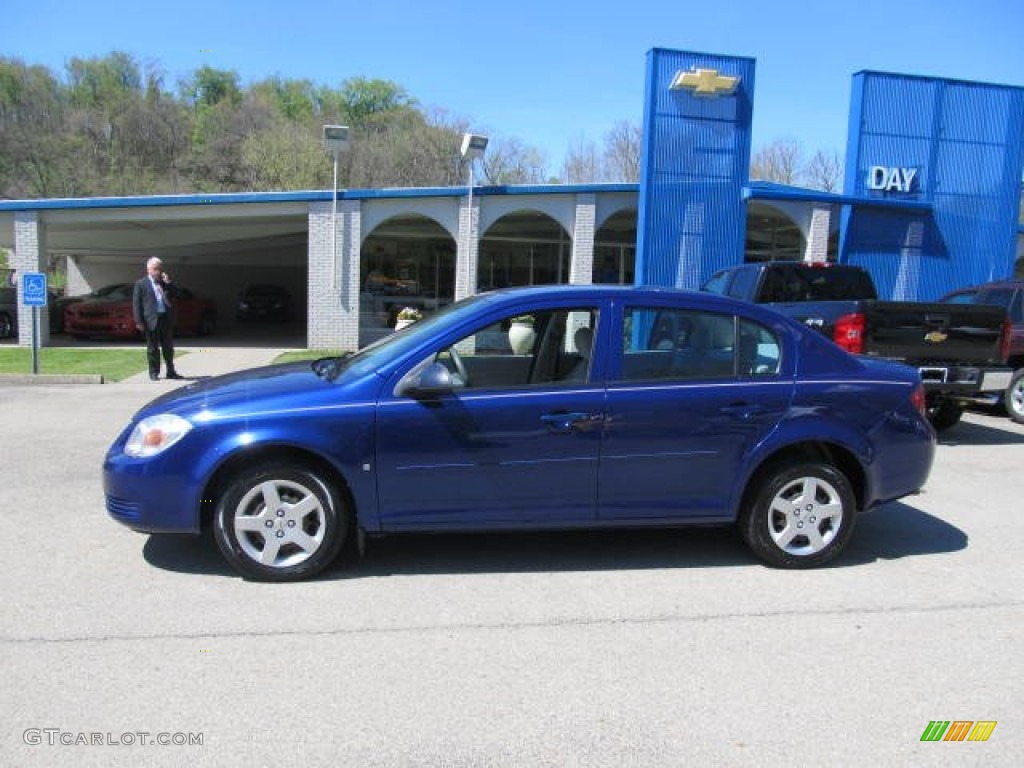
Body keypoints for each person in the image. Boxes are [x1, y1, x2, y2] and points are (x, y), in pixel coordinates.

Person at [132, 256, 182, 380]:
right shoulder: (141, 283)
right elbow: (136, 303)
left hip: (165, 318)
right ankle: (154, 373)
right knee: (153, 348)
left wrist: (169, 283)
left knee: (168, 347)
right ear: (148, 270)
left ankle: (171, 371)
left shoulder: (165, 283)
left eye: (159, 269)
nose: (158, 271)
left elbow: (178, 294)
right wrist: (138, 321)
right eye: (155, 269)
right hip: (151, 320)